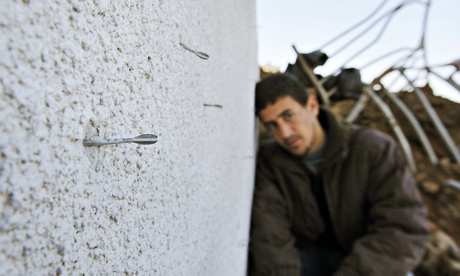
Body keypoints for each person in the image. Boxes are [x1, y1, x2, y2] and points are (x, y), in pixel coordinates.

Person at [248, 73, 430, 276]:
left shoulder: (373, 149)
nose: (285, 133)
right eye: (272, 125)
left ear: (312, 106)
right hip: (313, 262)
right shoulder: (271, 161)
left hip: (369, 264)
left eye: (288, 116)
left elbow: (403, 229)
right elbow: (271, 236)